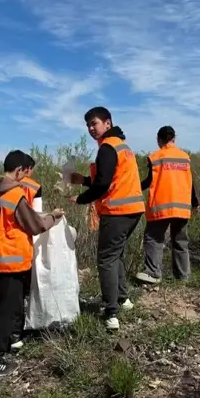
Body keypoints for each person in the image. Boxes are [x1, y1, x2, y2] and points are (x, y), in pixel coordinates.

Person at [0, 150, 64, 378]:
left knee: (9, 304)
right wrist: (54, 217)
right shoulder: (14, 195)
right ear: (19, 171)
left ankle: (13, 339)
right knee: (5, 310)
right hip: (11, 260)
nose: (27, 177)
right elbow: (34, 225)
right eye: (26, 173)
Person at [67, 106, 145, 329]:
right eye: (89, 125)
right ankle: (123, 298)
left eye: (95, 123)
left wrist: (81, 199)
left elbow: (102, 185)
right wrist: (82, 180)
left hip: (117, 212)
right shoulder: (121, 146)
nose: (91, 128)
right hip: (133, 210)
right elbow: (110, 179)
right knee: (116, 255)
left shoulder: (108, 148)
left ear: (107, 123)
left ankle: (111, 312)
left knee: (106, 259)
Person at [135, 126, 200, 284]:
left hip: (161, 206)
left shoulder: (156, 156)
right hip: (182, 206)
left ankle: (153, 273)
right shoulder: (185, 157)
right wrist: (195, 202)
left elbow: (149, 181)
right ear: (174, 139)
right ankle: (182, 277)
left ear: (159, 139)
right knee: (180, 242)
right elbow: (190, 182)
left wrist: (132, 188)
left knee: (153, 239)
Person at [11, 153, 43, 350]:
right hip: (24, 242)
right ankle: (21, 329)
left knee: (9, 293)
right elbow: (37, 216)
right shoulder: (34, 187)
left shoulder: (0, 186)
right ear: (27, 169)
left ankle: (14, 333)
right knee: (25, 288)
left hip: (2, 246)